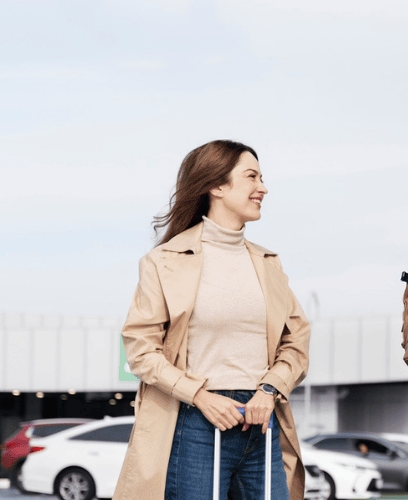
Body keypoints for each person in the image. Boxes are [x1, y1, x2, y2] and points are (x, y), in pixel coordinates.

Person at [114, 140, 311, 500]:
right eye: (251, 176)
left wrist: (268, 390)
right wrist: (201, 397)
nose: (262, 188)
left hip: (262, 421)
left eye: (261, 177)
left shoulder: (269, 263)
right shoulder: (163, 261)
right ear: (217, 186)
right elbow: (141, 350)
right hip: (195, 422)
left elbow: (296, 341)